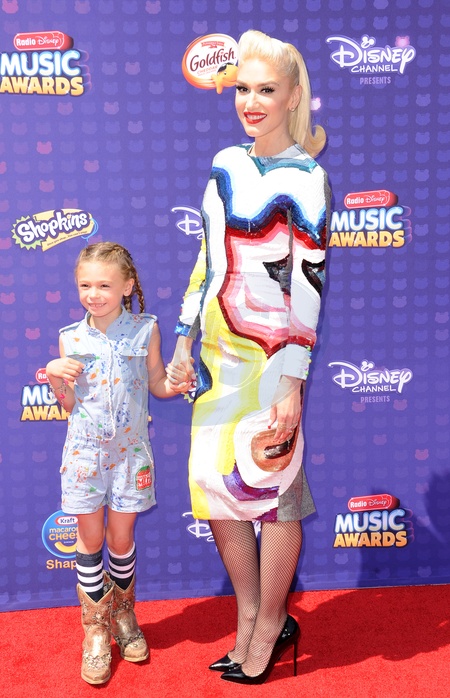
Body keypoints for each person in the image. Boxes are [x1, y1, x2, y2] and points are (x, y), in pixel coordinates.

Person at [169, 29, 331, 684]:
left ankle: (270, 624)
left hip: (271, 362)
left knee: (275, 495)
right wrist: (184, 336)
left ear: (294, 97)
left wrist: (292, 380)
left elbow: (308, 286)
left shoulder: (308, 179)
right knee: (218, 491)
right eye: (243, 89)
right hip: (216, 357)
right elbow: (207, 258)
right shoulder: (223, 163)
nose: (252, 102)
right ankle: (247, 616)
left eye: (267, 89)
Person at [46, 241, 189, 685]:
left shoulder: (146, 329)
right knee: (90, 540)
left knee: (121, 539)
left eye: (104, 285)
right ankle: (94, 631)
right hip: (84, 455)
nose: (94, 294)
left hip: (130, 456)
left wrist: (178, 382)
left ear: (127, 286)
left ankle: (124, 616)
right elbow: (68, 404)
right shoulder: (70, 337)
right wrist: (54, 377)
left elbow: (157, 383)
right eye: (85, 285)